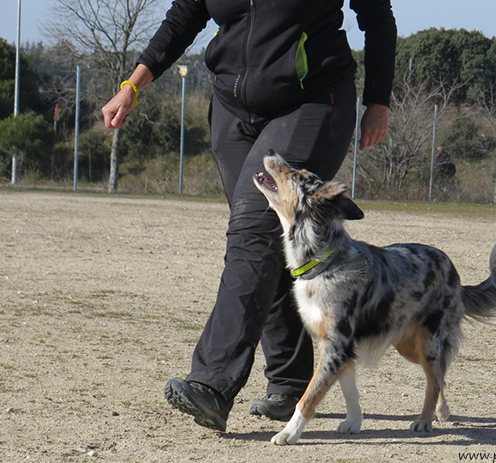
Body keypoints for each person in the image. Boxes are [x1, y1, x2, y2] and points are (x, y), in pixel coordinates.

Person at [102, 0, 397, 432]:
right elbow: (183, 18)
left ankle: (213, 382)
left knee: (251, 232)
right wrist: (133, 84)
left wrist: (378, 102)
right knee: (267, 239)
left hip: (312, 101)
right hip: (232, 108)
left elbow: (376, 16)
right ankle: (291, 384)